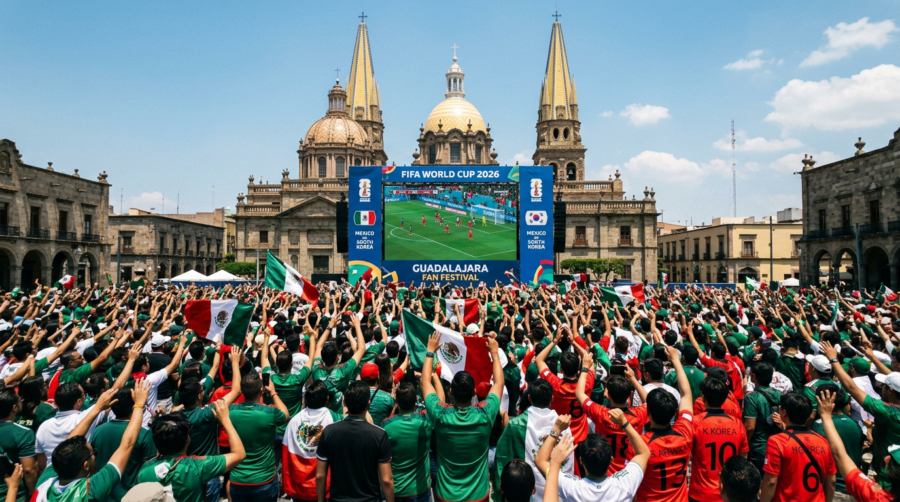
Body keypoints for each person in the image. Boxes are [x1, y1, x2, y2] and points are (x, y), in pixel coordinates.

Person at [32, 380, 151, 502]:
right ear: (86, 465)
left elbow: (67, 444)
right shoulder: (90, 490)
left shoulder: (44, 482)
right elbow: (127, 445)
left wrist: (98, 408)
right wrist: (139, 404)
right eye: (93, 453)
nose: (94, 455)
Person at [422, 331, 503, 502]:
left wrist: (430, 352)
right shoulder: (486, 414)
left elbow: (425, 382)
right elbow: (498, 383)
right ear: (474, 392)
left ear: (450, 392)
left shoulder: (440, 414)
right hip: (478, 495)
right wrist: (494, 353)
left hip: (446, 495)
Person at [822, 340, 900, 492]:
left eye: (884, 386)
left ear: (890, 391)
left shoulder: (887, 411)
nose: (881, 388)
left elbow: (851, 388)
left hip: (888, 478)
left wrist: (833, 360)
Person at [137, 400, 246, 502]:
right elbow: (239, 454)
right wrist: (226, 421)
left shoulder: (144, 471)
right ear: (188, 439)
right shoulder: (198, 467)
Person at [537, 409, 650, 502]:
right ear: (611, 460)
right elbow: (643, 453)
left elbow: (540, 460)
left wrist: (556, 430)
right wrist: (624, 423)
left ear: (581, 461)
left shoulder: (571, 487)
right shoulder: (625, 484)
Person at [315, 381, 394, 502]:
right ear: (368, 404)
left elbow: (320, 476)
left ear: (345, 402)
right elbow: (386, 480)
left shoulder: (329, 432)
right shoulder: (379, 435)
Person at [634, 345, 694, 502]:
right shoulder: (684, 433)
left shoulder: (640, 444)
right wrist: (676, 361)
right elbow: (686, 395)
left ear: (648, 413)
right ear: (674, 412)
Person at [816, 390, 899, 502]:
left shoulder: (875, 496)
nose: (887, 458)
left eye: (892, 460)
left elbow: (840, 455)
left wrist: (825, 416)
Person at [759, 392, 836, 502]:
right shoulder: (823, 441)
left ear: (784, 413)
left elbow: (770, 481)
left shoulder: (777, 441)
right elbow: (831, 481)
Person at [575, 366, 649, 475]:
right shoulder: (638, 414)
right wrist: (632, 378)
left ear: (608, 395)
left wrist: (585, 367)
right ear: (629, 394)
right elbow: (648, 401)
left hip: (605, 472)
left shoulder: (600, 413)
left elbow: (579, 393)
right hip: (630, 472)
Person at [228, 370, 289, 502]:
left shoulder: (230, 412)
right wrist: (273, 392)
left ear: (242, 391)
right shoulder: (269, 413)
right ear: (261, 391)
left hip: (238, 479)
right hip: (264, 480)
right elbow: (285, 415)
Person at [89, 388, 157, 501]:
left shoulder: (98, 431)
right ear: (134, 407)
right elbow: (150, 470)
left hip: (103, 496)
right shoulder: (144, 434)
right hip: (133, 497)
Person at [689, 377, 749, 502]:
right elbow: (743, 459)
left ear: (703, 398)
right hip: (728, 493)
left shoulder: (695, 423)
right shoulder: (738, 424)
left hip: (701, 493)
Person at [284, 381, 344, 502]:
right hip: (325, 486)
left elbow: (286, 454)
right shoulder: (335, 419)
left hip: (300, 486)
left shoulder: (294, 421)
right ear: (327, 398)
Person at [382, 381, 438, 502]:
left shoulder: (386, 425)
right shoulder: (425, 421)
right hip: (420, 491)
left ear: (397, 401)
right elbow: (439, 402)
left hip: (397, 491)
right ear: (416, 400)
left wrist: (395, 407)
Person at [537, 330, 594, 444]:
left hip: (560, 437)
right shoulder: (587, 383)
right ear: (578, 369)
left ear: (561, 370)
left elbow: (539, 359)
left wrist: (555, 341)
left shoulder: (554, 383)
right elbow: (589, 360)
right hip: (581, 437)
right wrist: (574, 342)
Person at [810, 384, 862, 498]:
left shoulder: (819, 426)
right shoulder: (854, 424)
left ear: (820, 402)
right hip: (854, 488)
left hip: (834, 490)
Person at [743, 361, 783, 474]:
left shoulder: (752, 398)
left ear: (753, 376)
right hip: (777, 446)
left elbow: (749, 427)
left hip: (758, 449)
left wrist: (744, 447)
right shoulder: (780, 394)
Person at [0, 388, 37, 501]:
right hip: (15, 493)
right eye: (19, 400)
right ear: (14, 408)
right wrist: (32, 493)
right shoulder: (23, 433)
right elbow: (29, 470)